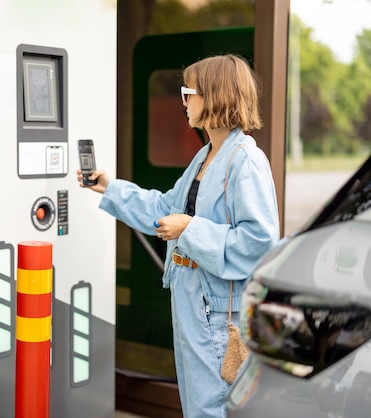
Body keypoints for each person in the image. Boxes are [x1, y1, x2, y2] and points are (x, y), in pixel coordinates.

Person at [77, 54, 280, 417]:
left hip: (217, 312)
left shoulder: (246, 161)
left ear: (216, 96)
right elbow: (165, 208)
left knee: (211, 408)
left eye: (189, 93)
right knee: (198, 405)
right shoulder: (206, 155)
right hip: (192, 301)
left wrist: (190, 229)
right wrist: (110, 189)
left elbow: (260, 243)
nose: (182, 101)